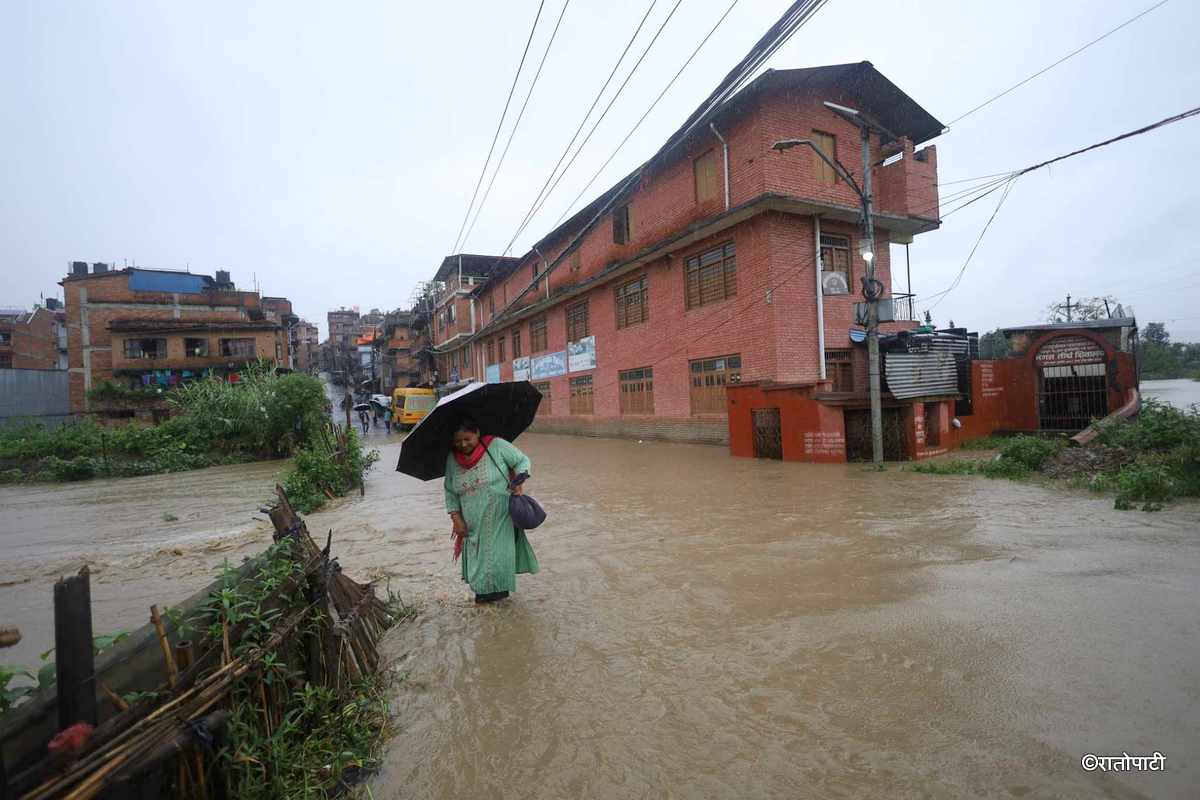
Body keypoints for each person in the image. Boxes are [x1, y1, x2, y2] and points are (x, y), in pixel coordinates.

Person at [444, 417, 539, 604]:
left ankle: (496, 615)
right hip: (471, 525)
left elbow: (522, 461)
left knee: (498, 565)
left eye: (467, 439)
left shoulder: (496, 446)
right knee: (479, 571)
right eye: (457, 441)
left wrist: (519, 481)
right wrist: (456, 518)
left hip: (500, 517)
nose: (463, 445)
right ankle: (490, 611)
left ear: (477, 433)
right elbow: (449, 490)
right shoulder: (452, 459)